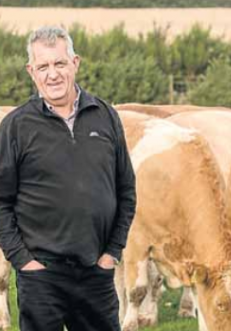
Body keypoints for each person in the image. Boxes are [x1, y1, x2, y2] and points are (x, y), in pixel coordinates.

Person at [0, 26, 136, 331]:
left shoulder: (105, 116)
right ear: (30, 71)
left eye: (59, 64)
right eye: (43, 67)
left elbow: (126, 190)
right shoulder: (16, 127)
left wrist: (112, 253)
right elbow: (1, 202)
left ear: (75, 63)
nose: (52, 75)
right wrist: (23, 260)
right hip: (41, 277)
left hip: (96, 274)